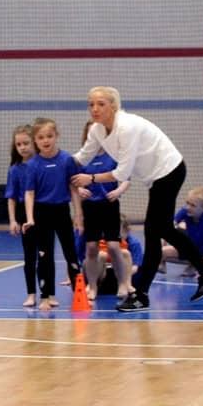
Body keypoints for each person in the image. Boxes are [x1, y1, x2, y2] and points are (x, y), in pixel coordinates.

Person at [71, 86, 203, 312]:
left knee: (154, 232)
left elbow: (122, 172)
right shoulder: (97, 130)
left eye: (101, 104)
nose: (95, 109)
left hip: (169, 171)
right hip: (156, 179)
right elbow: (81, 158)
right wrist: (56, 162)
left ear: (114, 106)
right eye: (91, 104)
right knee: (162, 231)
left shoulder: (126, 127)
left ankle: (142, 294)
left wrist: (90, 178)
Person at [23, 118, 82, 311]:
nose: (46, 140)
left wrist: (78, 215)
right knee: (44, 255)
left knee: (71, 253)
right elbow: (29, 193)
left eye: (49, 136)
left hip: (62, 211)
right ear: (35, 140)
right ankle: (46, 296)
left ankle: (79, 295)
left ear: (57, 136)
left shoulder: (67, 160)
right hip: (42, 213)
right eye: (41, 137)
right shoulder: (33, 165)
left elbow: (74, 189)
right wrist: (30, 218)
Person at [74, 120, 132, 300]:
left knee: (114, 246)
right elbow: (73, 181)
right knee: (92, 248)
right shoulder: (82, 159)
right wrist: (79, 189)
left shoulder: (113, 155)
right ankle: (92, 286)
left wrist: (118, 191)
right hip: (90, 206)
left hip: (109, 204)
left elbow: (126, 177)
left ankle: (122, 283)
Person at [5, 124, 40, 307]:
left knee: (45, 255)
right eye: (19, 144)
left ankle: (48, 294)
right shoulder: (15, 169)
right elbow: (11, 197)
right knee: (29, 256)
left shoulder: (41, 165)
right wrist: (13, 220)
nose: (23, 147)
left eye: (26, 143)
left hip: (42, 210)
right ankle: (31, 294)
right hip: (23, 213)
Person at [160, 187, 203, 276]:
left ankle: (194, 266)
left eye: (193, 205)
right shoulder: (184, 211)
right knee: (160, 251)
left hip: (200, 254)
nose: (188, 207)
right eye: (187, 203)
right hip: (187, 248)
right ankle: (163, 264)